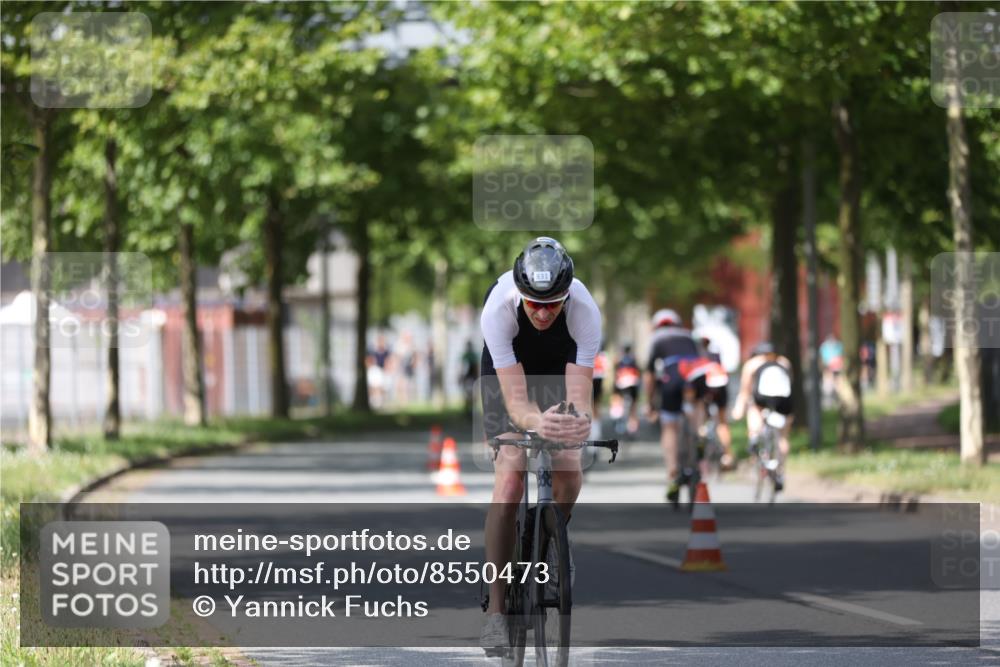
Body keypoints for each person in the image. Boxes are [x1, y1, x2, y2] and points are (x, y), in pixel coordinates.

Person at [479, 237, 600, 652]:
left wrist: (576, 422)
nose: (544, 312)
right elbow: (515, 402)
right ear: (520, 294)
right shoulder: (498, 308)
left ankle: (544, 535)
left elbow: (579, 396)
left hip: (558, 367)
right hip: (508, 372)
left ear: (568, 295)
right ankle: (496, 612)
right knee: (510, 479)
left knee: (570, 473)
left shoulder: (585, 312)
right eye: (534, 304)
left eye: (553, 303)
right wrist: (534, 420)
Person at [643, 308, 702, 503]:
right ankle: (698, 435)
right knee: (696, 406)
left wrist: (650, 402)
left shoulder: (656, 338)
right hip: (694, 377)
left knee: (669, 426)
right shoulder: (689, 336)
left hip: (672, 378)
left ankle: (673, 472)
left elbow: (650, 375)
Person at [731, 342, 795, 492]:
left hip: (762, 399)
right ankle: (780, 472)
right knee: (783, 438)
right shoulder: (784, 362)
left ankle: (754, 436)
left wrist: (739, 409)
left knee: (754, 408)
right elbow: (790, 383)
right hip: (784, 401)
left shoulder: (752, 364)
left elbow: (745, 391)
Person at [613, 343, 641, 435]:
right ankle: (633, 426)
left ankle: (619, 422)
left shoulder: (619, 359)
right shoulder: (634, 359)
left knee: (619, 400)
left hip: (621, 383)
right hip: (633, 383)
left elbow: (616, 372)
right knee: (633, 405)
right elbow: (638, 372)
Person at [460, 339, 480, 415]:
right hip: (469, 378)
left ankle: (469, 410)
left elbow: (475, 367)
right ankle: (468, 410)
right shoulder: (469, 355)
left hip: (470, 377)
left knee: (469, 394)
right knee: (468, 394)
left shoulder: (470, 355)